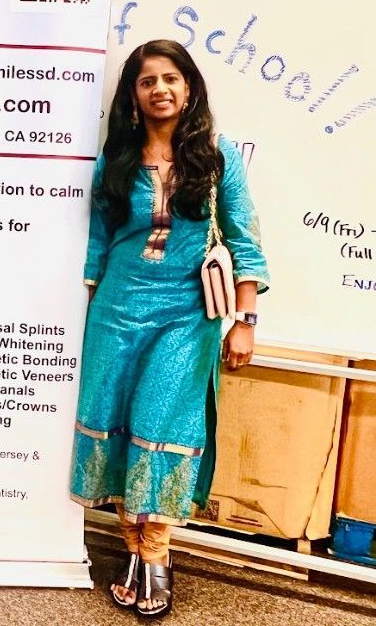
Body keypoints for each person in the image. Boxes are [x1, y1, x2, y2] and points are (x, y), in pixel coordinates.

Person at [70, 40, 269, 617]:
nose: (159, 89)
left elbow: (244, 239)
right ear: (133, 94)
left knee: (162, 424)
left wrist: (245, 319)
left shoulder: (217, 156)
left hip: (187, 316)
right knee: (115, 420)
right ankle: (132, 546)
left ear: (189, 88)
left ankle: (155, 552)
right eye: (146, 80)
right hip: (115, 309)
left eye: (171, 78)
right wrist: (85, 302)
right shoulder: (120, 157)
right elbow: (99, 239)